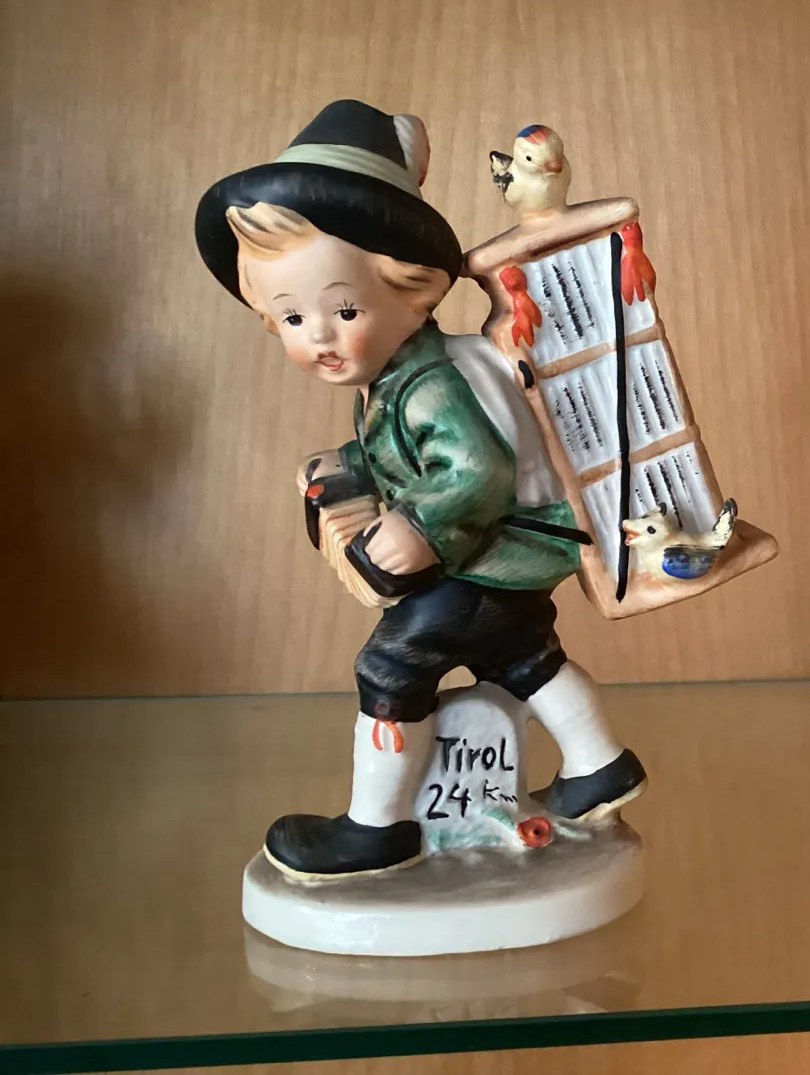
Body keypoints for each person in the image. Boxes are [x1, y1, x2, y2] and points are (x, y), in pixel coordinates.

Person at [195, 100, 646, 879]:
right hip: (514, 556)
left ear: (415, 289)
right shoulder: (400, 375)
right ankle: (600, 765)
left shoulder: (430, 381)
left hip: (489, 553)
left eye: (343, 309)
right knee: (523, 654)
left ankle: (377, 828)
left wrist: (417, 531)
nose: (320, 337)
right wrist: (349, 464)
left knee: (392, 666)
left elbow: (476, 471)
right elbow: (403, 452)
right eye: (292, 318)